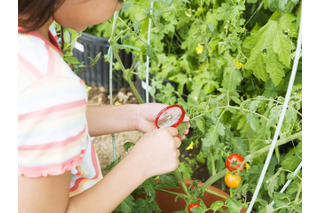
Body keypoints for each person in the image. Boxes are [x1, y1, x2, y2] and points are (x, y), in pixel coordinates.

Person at [18, 0, 190, 212]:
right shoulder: (51, 85)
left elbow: (37, 123)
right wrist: (140, 164)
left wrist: (135, 116)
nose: (120, 5)